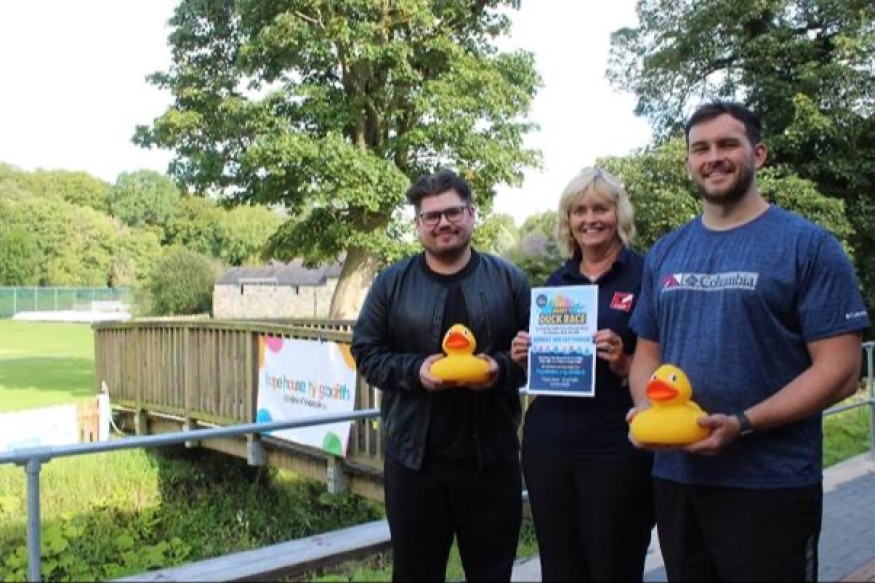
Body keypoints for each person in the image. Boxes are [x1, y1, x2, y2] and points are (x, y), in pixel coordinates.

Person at [627, 100, 871, 581]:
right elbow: (647, 354)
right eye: (700, 148)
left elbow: (841, 369)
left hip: (772, 483)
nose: (713, 157)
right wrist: (647, 416)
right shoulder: (666, 252)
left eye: (727, 144)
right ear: (688, 162)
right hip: (678, 480)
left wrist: (742, 423)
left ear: (758, 154)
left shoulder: (808, 246)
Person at [351, 169, 531, 582]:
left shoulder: (509, 280)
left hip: (492, 460)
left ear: (472, 214)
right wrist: (415, 370)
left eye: (452, 212)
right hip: (414, 462)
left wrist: (498, 369)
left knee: (492, 574)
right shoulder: (391, 283)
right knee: (415, 574)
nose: (443, 223)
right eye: (431, 216)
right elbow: (366, 352)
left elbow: (536, 355)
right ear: (417, 223)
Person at [510, 167, 655, 581]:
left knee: (614, 566)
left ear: (618, 214)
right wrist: (526, 356)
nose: (590, 219)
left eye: (600, 209)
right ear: (568, 220)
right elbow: (545, 368)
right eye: (579, 211)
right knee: (560, 568)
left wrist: (625, 362)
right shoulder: (558, 283)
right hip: (549, 446)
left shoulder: (645, 275)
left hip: (616, 447)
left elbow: (667, 363)